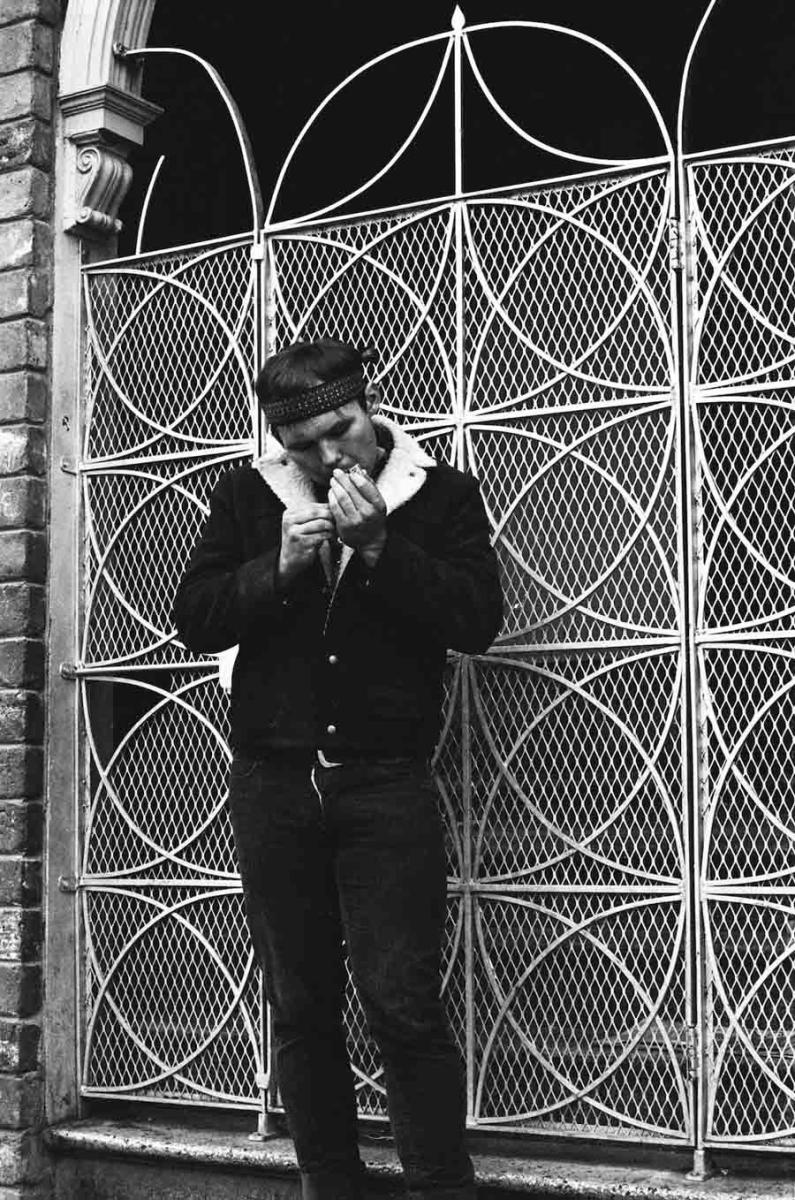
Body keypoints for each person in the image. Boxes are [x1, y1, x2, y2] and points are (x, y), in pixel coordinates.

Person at [173, 338, 504, 1200]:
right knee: (299, 1002)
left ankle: (439, 1188)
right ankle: (329, 1184)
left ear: (369, 408)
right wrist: (276, 567)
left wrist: (382, 546)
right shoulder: (248, 494)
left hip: (385, 782)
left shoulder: (440, 494)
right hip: (272, 783)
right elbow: (196, 618)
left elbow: (476, 620)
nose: (326, 455)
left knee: (401, 1002)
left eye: (341, 429)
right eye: (302, 444)